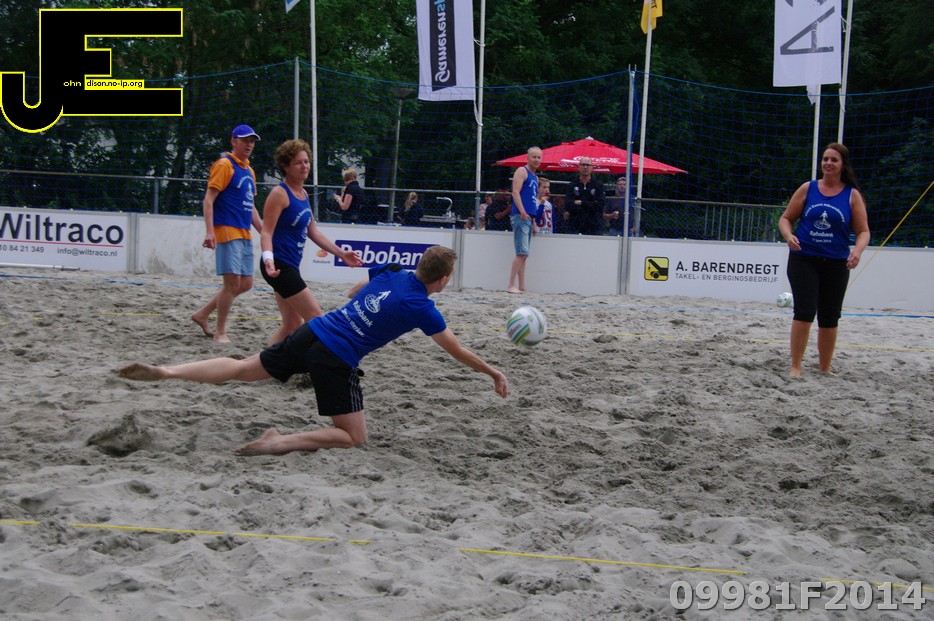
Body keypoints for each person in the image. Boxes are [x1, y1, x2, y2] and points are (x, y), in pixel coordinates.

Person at [117, 246, 509, 456]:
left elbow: (355, 291)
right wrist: (493, 372)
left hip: (314, 330)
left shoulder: (392, 271)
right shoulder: (423, 307)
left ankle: (169, 372)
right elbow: (456, 350)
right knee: (353, 436)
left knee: (242, 366)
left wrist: (368, 309)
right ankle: (277, 442)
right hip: (336, 356)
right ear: (442, 280)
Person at [778, 142, 870, 377]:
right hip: (804, 258)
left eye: (834, 160)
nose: (828, 163)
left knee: (830, 316)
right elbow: (786, 218)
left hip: (837, 262)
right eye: (825, 159)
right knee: (805, 311)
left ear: (843, 165)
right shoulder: (808, 188)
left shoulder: (852, 195)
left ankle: (825, 368)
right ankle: (795, 366)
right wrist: (788, 236)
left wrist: (857, 251)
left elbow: (863, 231)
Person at [259, 139, 364, 346]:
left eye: (306, 161)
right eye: (298, 162)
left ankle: (265, 360)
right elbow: (266, 232)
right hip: (278, 265)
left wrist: (341, 253)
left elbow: (313, 231)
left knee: (291, 324)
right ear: (286, 166)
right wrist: (268, 259)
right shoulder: (279, 194)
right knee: (317, 319)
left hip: (290, 265)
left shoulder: (303, 194)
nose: (304, 166)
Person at [191, 124, 264, 344]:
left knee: (246, 284)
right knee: (231, 284)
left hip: (244, 232)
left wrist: (265, 232)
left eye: (252, 141)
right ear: (234, 141)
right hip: (227, 230)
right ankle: (220, 332)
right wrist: (209, 231)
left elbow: (250, 207)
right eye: (245, 140)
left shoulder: (249, 171)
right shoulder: (225, 165)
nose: (249, 144)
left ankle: (203, 314)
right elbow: (208, 200)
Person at [507, 146, 542, 294]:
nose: (536, 160)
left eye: (539, 157)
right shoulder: (522, 171)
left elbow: (532, 200)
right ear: (528, 158)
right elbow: (515, 192)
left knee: (524, 254)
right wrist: (522, 211)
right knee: (521, 253)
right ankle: (511, 285)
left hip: (528, 217)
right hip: (521, 216)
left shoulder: (535, 178)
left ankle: (521, 285)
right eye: (534, 157)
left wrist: (534, 222)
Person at [564, 157, 606, 235]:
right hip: (574, 226)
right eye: (583, 165)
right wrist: (591, 203)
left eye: (588, 165)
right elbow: (568, 204)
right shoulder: (571, 185)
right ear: (578, 167)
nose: (585, 167)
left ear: (592, 167)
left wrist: (580, 203)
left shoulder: (598, 186)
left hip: (594, 226)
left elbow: (600, 205)